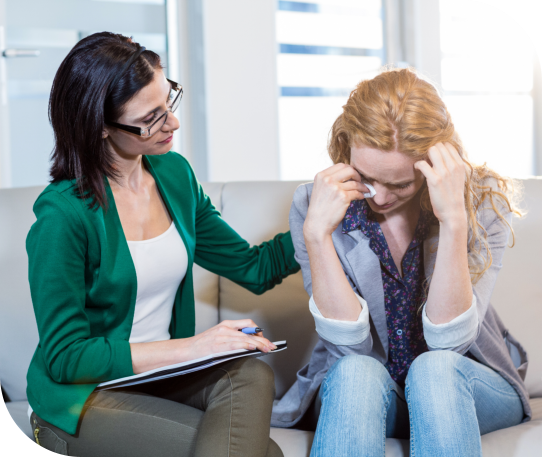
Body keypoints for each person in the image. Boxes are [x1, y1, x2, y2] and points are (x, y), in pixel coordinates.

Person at [26, 32, 299, 457]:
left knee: (251, 374)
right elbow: (65, 357)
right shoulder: (62, 215)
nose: (172, 123)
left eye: (168, 101)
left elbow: (254, 269)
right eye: (151, 117)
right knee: (265, 453)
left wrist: (317, 223)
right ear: (99, 127)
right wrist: (195, 347)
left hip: (158, 382)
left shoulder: (174, 176)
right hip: (81, 400)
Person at [271, 68, 530, 456]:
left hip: (463, 383)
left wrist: (454, 219)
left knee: (434, 369)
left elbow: (450, 342)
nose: (379, 199)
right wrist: (317, 235)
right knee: (356, 373)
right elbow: (348, 349)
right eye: (368, 179)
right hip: (370, 391)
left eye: (401, 184)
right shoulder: (315, 204)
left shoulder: (481, 200)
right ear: (347, 145)